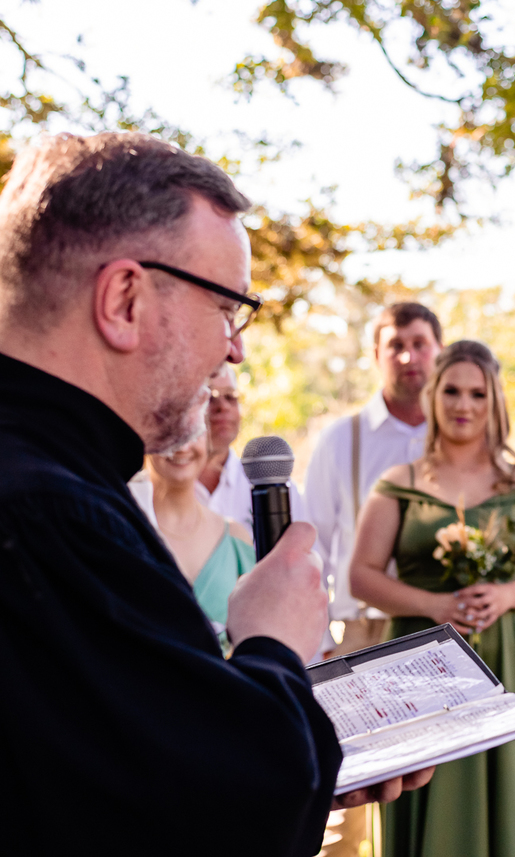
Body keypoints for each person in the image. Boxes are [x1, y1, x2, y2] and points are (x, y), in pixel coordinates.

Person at [0, 131, 425, 857]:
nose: (237, 349)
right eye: (229, 307)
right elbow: (201, 817)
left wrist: (294, 739)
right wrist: (270, 643)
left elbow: (105, 767)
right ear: (125, 298)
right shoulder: (49, 512)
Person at [350, 340, 515, 857]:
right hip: (420, 659)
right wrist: (433, 606)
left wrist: (509, 594)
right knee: (436, 793)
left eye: (477, 394)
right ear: (433, 396)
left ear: (493, 400)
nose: (463, 405)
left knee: (512, 798)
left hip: (513, 656)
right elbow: (361, 576)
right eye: (451, 391)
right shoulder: (398, 484)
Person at [306, 302, 443, 657]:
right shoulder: (340, 440)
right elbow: (313, 544)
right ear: (376, 355)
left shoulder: (462, 438)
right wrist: (321, 645)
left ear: (439, 350)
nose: (408, 357)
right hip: (363, 632)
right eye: (396, 346)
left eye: (419, 344)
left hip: (449, 626)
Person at [144, 431, 256, 637]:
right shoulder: (122, 531)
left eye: (193, 431)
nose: (182, 446)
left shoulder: (235, 539)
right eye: (170, 432)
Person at [198, 363, 307, 541]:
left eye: (231, 397)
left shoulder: (275, 486)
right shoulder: (158, 488)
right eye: (210, 397)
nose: (223, 407)